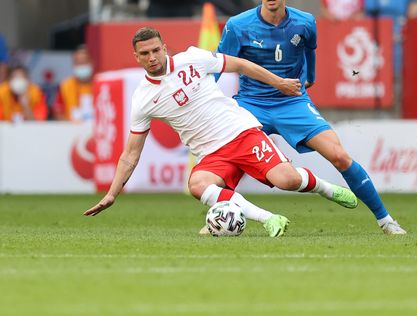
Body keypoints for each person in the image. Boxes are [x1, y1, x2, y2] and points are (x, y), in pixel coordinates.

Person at [84, 27, 358, 237]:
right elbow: (131, 153)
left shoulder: (193, 59)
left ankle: (325, 188)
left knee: (286, 180)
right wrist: (112, 193)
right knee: (198, 184)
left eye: (156, 50)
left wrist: (279, 83)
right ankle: (269, 219)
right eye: (145, 53)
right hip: (212, 154)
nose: (152, 57)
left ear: (164, 47)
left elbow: (241, 65)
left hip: (241, 132)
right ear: (137, 56)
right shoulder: (142, 99)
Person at [217, 0, 407, 235]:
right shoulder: (238, 25)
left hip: (292, 103)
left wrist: (310, 78)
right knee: (230, 160)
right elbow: (218, 64)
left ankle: (386, 220)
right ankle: (216, 217)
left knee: (339, 155)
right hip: (251, 103)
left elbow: (310, 52)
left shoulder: (305, 22)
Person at [53, 46, 94, 122]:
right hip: (72, 129)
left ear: (91, 63)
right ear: (73, 65)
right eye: (78, 63)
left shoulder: (100, 84)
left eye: (84, 62)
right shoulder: (65, 86)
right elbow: (58, 112)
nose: (81, 66)